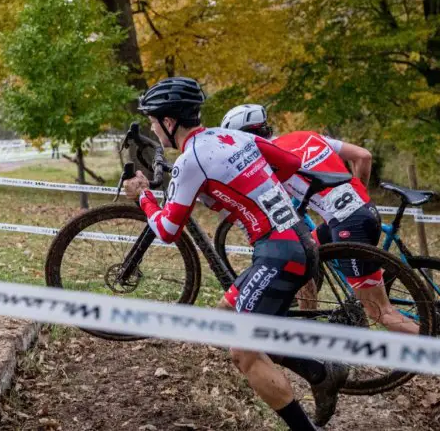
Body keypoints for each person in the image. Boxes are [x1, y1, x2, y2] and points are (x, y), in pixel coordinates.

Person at [122, 77, 348, 429]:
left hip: (279, 253)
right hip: (301, 238)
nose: (152, 126)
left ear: (169, 122)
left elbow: (167, 230)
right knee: (225, 314)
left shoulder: (190, 160)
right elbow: (287, 164)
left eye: (153, 120)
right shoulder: (236, 136)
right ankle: (317, 371)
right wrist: (236, 192)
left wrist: (143, 196)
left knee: (242, 350)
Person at [221, 104, 440, 410]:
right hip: (361, 212)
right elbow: (363, 156)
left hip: (349, 223)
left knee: (381, 313)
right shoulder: (306, 136)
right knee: (304, 249)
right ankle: (303, 318)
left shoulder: (269, 161)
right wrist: (353, 196)